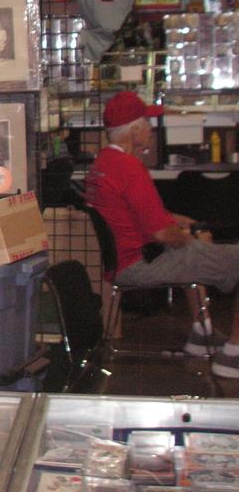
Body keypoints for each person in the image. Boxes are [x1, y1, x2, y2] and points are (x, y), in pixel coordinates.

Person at [85, 91, 239, 378]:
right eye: (147, 123)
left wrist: (185, 225)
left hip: (122, 261)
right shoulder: (130, 168)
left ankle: (202, 333)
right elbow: (163, 234)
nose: (151, 129)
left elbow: (145, 215)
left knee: (191, 249)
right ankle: (233, 356)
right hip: (141, 263)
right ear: (134, 131)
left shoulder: (103, 164)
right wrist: (191, 238)